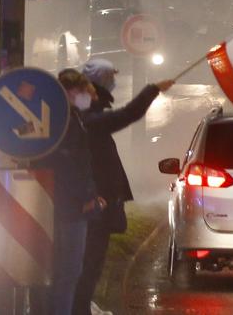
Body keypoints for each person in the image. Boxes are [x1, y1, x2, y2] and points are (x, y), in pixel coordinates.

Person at [73, 60, 175, 315]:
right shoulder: (88, 118)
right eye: (107, 80)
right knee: (87, 268)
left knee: (89, 267)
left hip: (97, 204)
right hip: (94, 207)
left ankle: (80, 307)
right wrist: (152, 89)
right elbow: (126, 115)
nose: (111, 85)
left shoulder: (85, 115)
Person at [48, 69, 106, 315]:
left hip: (59, 204)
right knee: (69, 272)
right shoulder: (69, 122)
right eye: (84, 92)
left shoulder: (59, 117)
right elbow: (74, 165)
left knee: (59, 272)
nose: (89, 98)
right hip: (72, 208)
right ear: (72, 92)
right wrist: (87, 197)